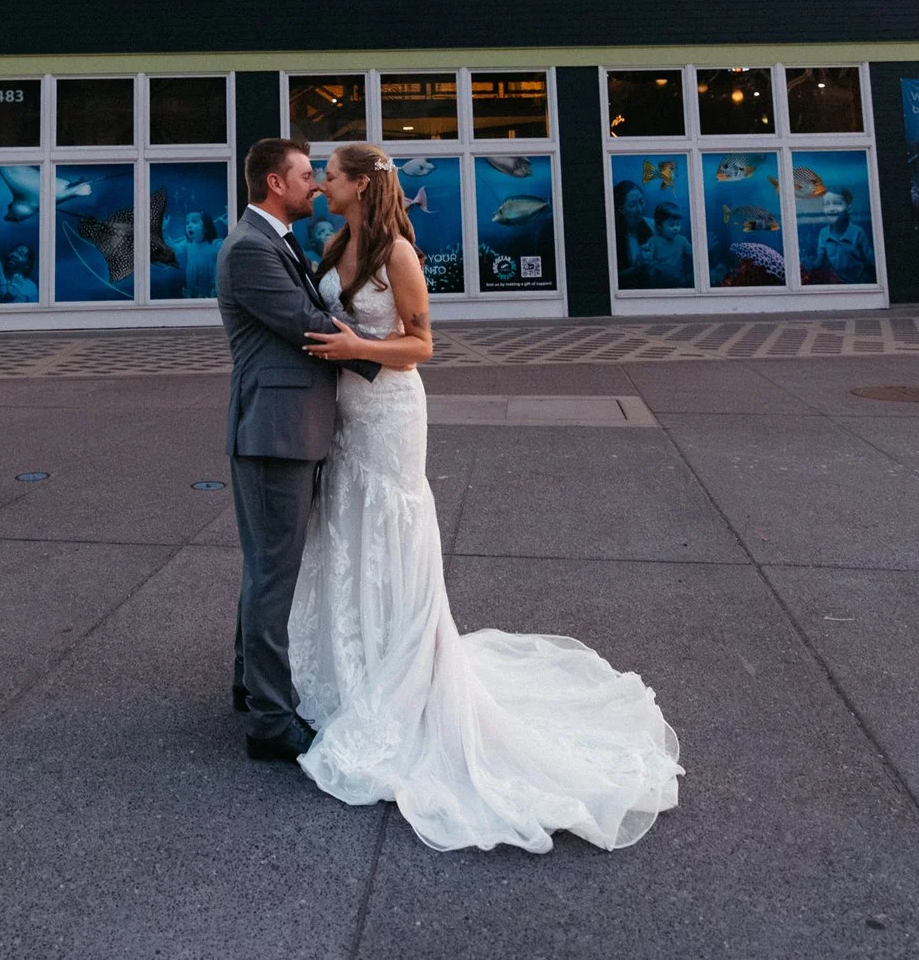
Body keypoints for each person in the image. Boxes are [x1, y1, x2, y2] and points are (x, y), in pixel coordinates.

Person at [291, 143, 682, 851]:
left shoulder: (397, 254)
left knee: (389, 526)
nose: (322, 183)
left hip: (390, 414)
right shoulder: (332, 243)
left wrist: (358, 347)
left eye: (333, 175)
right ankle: (353, 660)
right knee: (347, 526)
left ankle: (405, 669)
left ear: (361, 185)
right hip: (344, 414)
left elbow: (422, 344)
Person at [217, 138, 380, 764]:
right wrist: (387, 350)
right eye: (306, 174)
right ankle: (270, 722)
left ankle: (249, 684)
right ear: (275, 184)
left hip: (290, 428)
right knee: (272, 571)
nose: (315, 184)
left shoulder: (276, 240)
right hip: (274, 432)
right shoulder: (250, 249)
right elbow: (306, 323)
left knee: (268, 565)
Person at [805, 188, 875, 284]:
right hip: (836, 282)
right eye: (827, 204)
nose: (831, 208)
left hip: (858, 282)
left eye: (837, 203)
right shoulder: (823, 233)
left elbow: (871, 261)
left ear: (848, 208)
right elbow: (819, 261)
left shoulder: (858, 232)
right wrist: (808, 265)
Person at [636, 200, 691, 288]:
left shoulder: (682, 240)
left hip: (679, 282)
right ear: (659, 225)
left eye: (678, 224)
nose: (676, 228)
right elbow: (646, 262)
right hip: (659, 284)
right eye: (671, 225)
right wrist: (644, 256)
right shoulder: (654, 241)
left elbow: (693, 254)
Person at [169, 210, 222, 298]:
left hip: (211, 290)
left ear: (205, 227)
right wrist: (164, 231)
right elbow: (175, 249)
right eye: (187, 223)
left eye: (194, 222)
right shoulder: (188, 243)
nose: (189, 225)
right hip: (193, 289)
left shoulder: (216, 244)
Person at [612, 179, 651, 286]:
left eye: (641, 202)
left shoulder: (654, 226)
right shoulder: (613, 236)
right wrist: (635, 269)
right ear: (620, 209)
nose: (640, 209)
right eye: (632, 205)